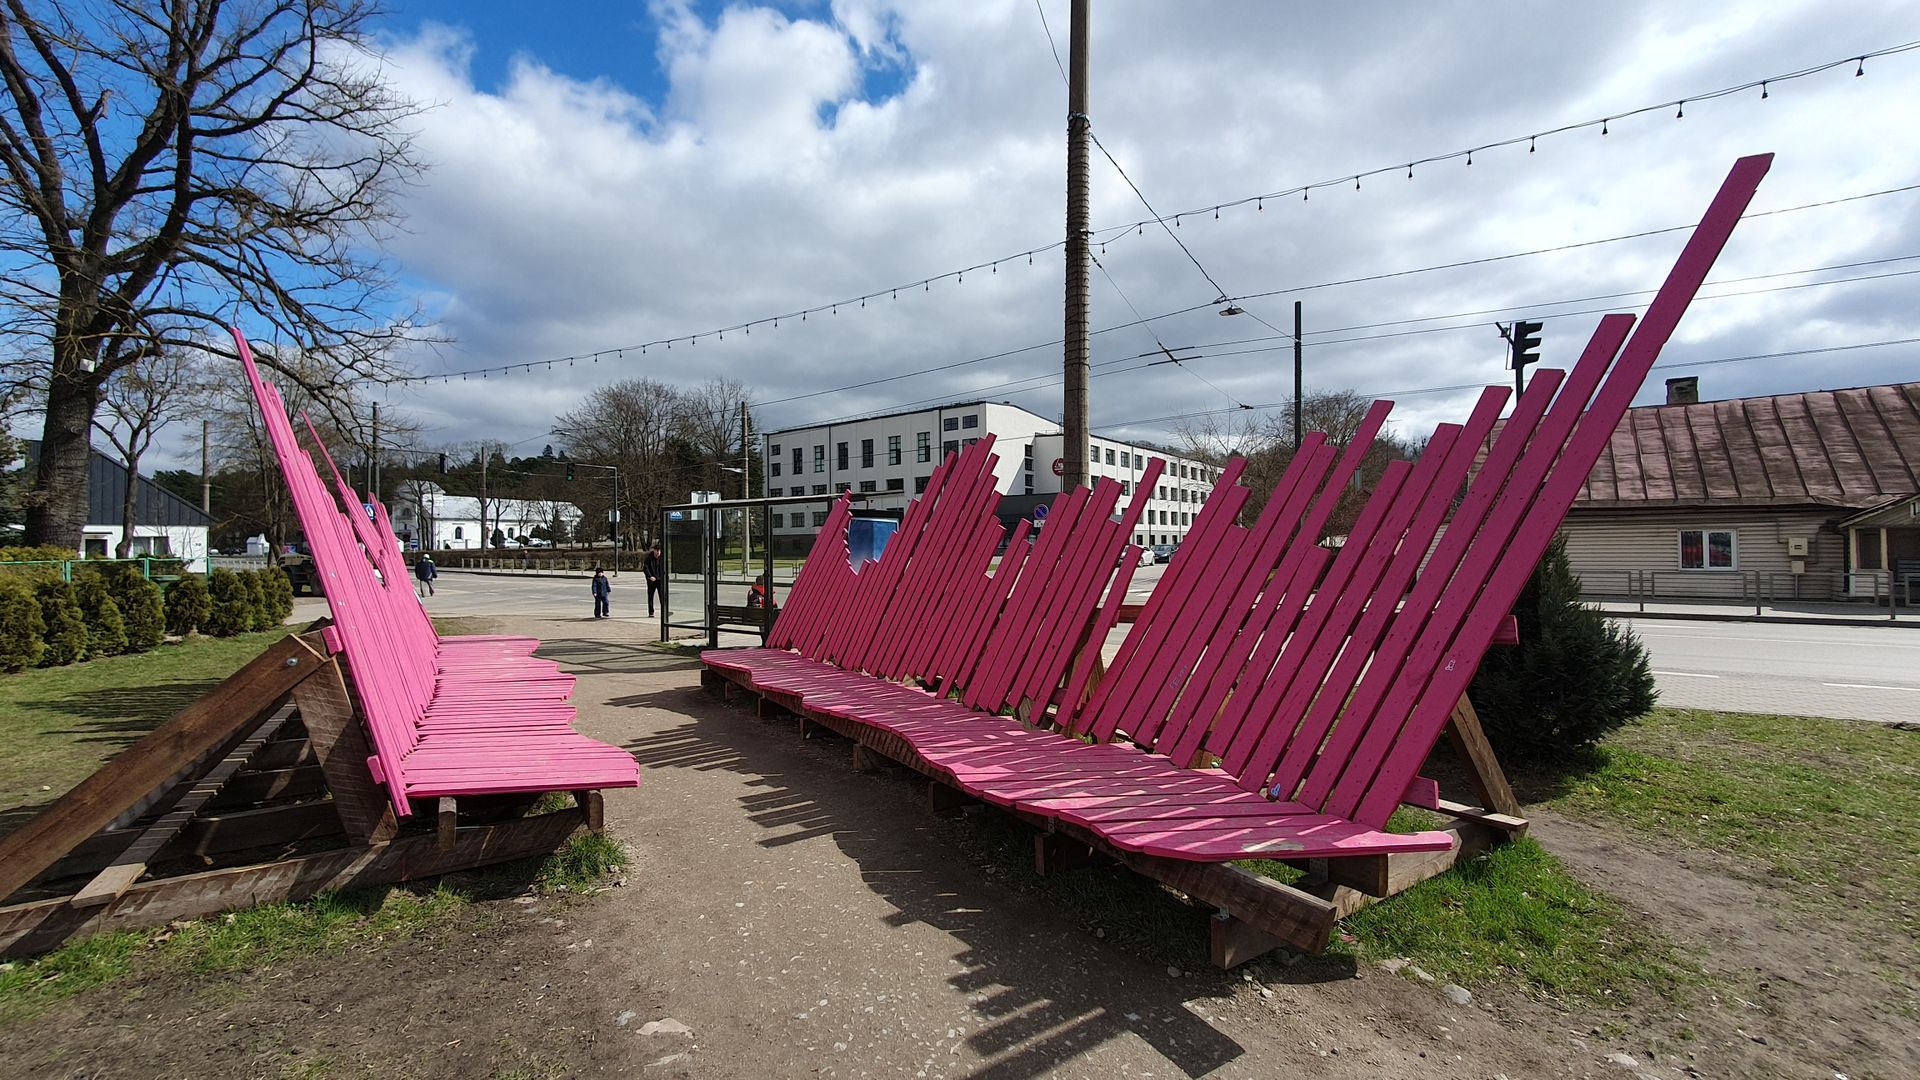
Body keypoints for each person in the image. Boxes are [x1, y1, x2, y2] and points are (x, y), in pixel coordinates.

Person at [643, 542, 664, 617]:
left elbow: (665, 569)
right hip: (651, 581)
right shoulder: (649, 558)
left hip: (660, 580)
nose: (658, 552)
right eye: (656, 551)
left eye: (659, 551)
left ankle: (663, 612)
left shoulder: (662, 558)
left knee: (662, 597)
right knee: (650, 596)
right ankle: (651, 612)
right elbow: (645, 568)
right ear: (654, 550)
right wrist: (650, 576)